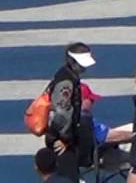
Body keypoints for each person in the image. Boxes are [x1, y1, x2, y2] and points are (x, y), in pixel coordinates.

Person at [43, 43, 95, 180]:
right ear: (71, 61)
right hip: (61, 140)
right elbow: (62, 112)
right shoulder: (66, 81)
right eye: (81, 64)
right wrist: (63, 138)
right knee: (67, 177)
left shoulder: (69, 76)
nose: (84, 68)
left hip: (62, 137)